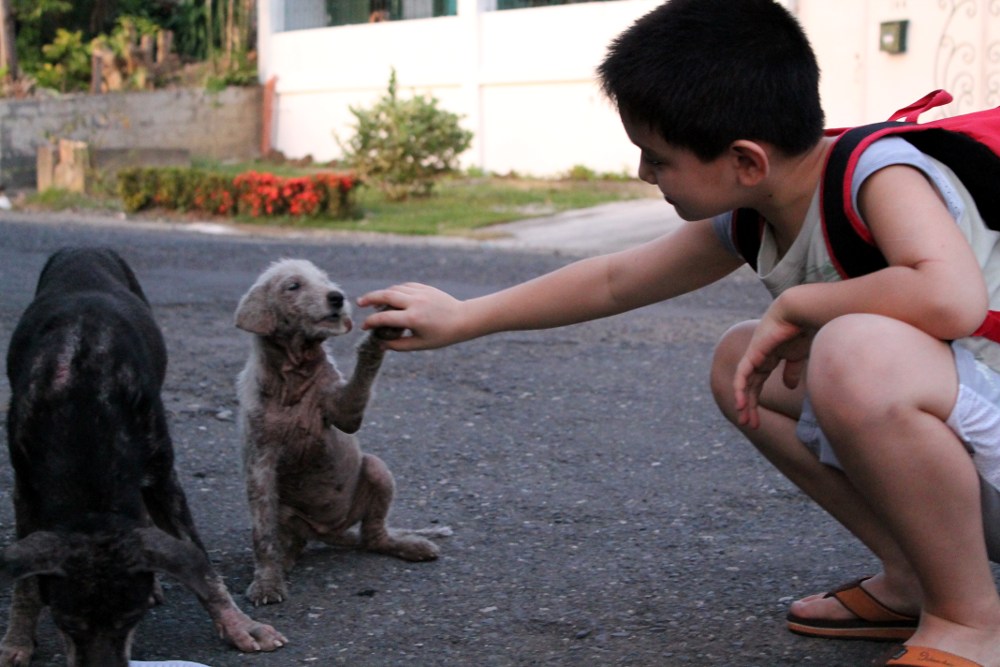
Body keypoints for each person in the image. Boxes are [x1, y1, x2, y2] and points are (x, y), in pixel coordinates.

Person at [357, 0, 1000, 664]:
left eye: (657, 158)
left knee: (847, 350)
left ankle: (968, 620)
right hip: (974, 454)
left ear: (746, 160)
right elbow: (615, 278)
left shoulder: (879, 175)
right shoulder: (756, 208)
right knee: (737, 360)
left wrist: (803, 306)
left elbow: (950, 297)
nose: (644, 173)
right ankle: (915, 577)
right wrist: (464, 315)